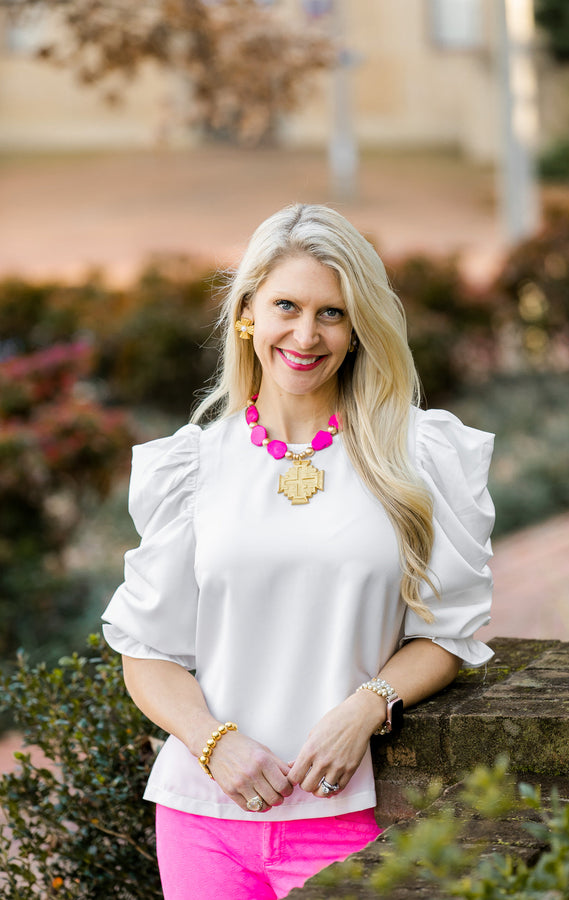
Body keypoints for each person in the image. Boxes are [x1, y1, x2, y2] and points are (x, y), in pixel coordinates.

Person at [102, 203, 495, 899]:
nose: (305, 335)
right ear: (248, 309)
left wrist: (367, 706)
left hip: (348, 821)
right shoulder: (194, 465)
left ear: (357, 330)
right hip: (202, 820)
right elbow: (146, 649)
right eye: (286, 305)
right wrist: (213, 741)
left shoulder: (416, 458)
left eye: (332, 314)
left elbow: (447, 634)